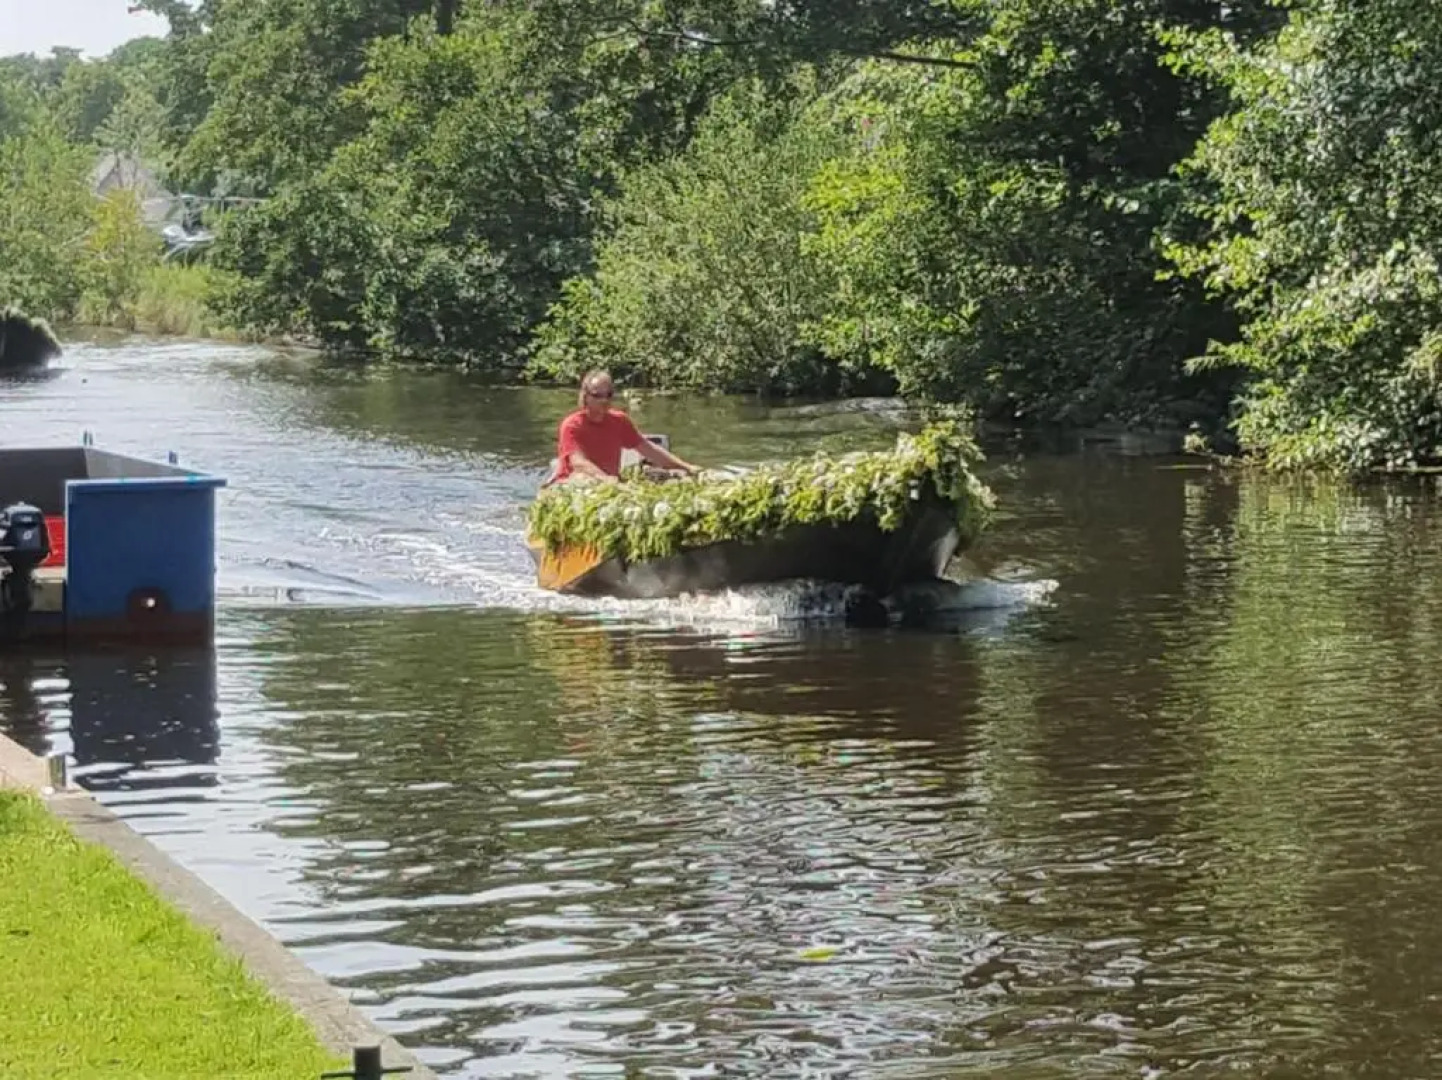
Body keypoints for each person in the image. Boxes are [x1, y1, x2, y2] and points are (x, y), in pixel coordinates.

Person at [548, 370, 699, 484]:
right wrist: (607, 480)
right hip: (574, 484)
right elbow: (579, 463)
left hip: (611, 484)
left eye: (608, 395)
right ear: (585, 396)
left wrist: (687, 467)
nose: (604, 400)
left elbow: (649, 449)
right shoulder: (572, 425)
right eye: (597, 395)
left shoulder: (619, 420)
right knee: (581, 478)